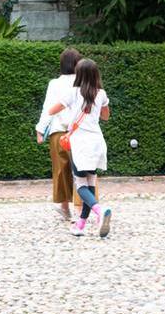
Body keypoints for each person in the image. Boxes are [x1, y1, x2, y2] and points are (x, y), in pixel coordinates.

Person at [47, 59, 112, 238]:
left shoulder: (73, 93)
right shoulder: (101, 94)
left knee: (80, 184)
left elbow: (52, 110)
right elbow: (105, 116)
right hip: (97, 141)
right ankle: (81, 225)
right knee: (90, 182)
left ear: (79, 74)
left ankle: (100, 210)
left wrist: (67, 111)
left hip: (80, 142)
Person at [36, 47, 83, 220]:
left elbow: (48, 109)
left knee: (61, 171)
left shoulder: (54, 84)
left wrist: (40, 130)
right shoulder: (83, 82)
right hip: (80, 132)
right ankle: (82, 209)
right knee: (83, 171)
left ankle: (64, 207)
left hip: (58, 133)